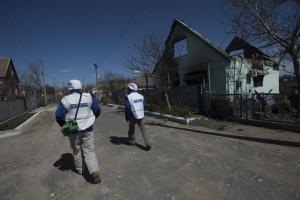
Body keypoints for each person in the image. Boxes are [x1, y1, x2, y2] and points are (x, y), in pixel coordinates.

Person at [55, 80, 101, 184]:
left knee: (76, 150)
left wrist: (65, 126)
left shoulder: (66, 99)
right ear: (80, 87)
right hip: (88, 128)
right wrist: (91, 120)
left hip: (73, 130)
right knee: (89, 150)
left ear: (70, 88)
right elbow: (97, 109)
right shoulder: (89, 97)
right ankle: (94, 171)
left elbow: (58, 115)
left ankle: (81, 170)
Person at [124, 83, 151, 151]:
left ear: (130, 89)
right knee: (143, 130)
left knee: (131, 129)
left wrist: (127, 117)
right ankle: (148, 144)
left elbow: (127, 108)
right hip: (141, 116)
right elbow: (144, 105)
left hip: (133, 116)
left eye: (128, 88)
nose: (127, 89)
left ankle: (132, 142)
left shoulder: (128, 97)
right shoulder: (141, 96)